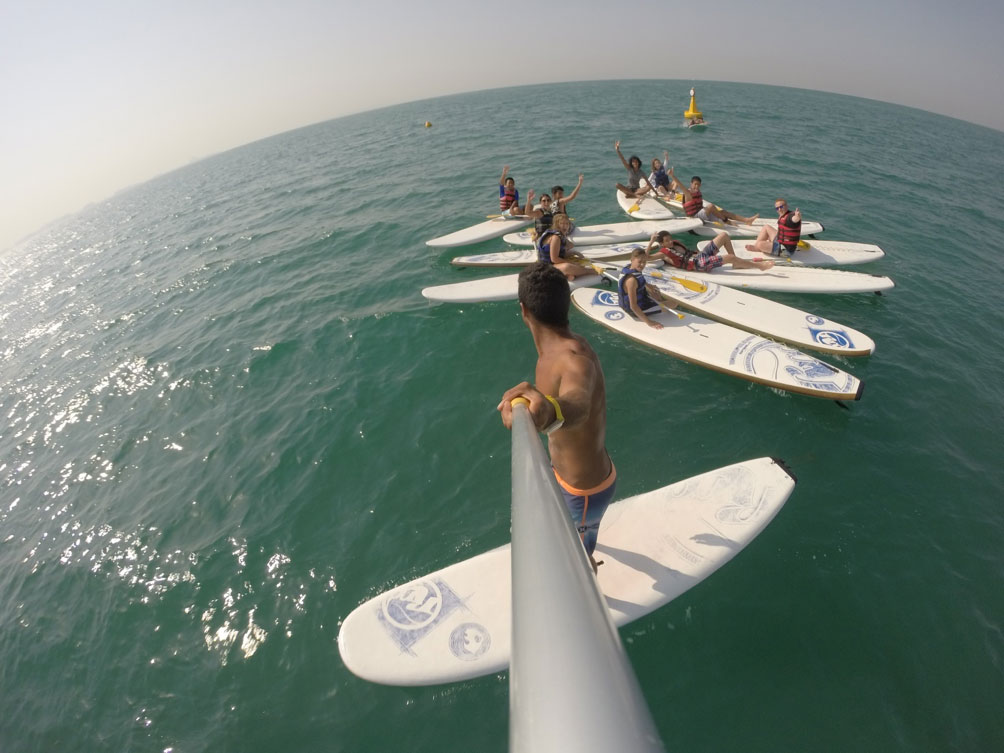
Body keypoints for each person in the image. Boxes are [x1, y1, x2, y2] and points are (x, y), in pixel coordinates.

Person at [498, 262, 615, 572]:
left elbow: (579, 403)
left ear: (523, 310)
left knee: (572, 560)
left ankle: (587, 573)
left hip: (584, 491)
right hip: (568, 476)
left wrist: (549, 410)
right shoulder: (557, 349)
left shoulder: (573, 358)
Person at [646, 230, 774, 272]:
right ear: (662, 243)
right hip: (698, 264)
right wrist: (651, 242)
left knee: (724, 235)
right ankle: (759, 266)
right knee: (728, 257)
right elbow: (646, 258)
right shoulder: (663, 253)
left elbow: (688, 253)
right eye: (667, 241)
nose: (670, 242)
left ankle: (737, 262)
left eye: (670, 239)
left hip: (700, 256)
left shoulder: (675, 244)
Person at [668, 169, 758, 225]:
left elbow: (700, 206)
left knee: (723, 211)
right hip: (695, 217)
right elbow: (679, 184)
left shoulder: (697, 192)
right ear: (691, 184)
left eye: (698, 185)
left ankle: (746, 220)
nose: (697, 186)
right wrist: (672, 176)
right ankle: (726, 221)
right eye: (695, 184)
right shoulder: (688, 193)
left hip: (703, 215)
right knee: (711, 206)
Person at [617, 249, 678, 330]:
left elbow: (638, 277)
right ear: (632, 260)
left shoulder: (629, 267)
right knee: (673, 304)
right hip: (636, 309)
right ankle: (659, 304)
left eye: (644, 262)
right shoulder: (631, 281)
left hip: (641, 298)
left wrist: (649, 286)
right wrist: (649, 322)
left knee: (655, 291)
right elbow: (633, 306)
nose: (642, 264)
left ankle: (659, 302)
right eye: (640, 261)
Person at [536, 213, 592, 279]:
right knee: (567, 267)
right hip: (546, 267)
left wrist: (574, 253)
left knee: (577, 264)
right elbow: (554, 259)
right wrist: (572, 263)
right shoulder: (555, 237)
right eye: (562, 223)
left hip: (552, 264)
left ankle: (567, 275)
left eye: (567, 224)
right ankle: (590, 271)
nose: (565, 226)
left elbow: (561, 252)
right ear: (557, 225)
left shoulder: (560, 235)